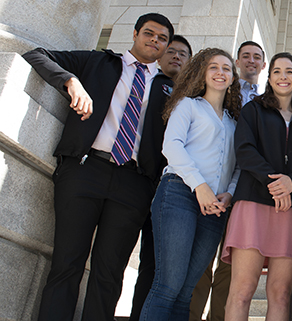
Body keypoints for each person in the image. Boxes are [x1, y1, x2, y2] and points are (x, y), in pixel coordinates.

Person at [22, 13, 174, 321]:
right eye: (149, 33)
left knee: (109, 274)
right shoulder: (99, 63)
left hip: (133, 184)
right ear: (135, 34)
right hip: (84, 170)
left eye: (162, 39)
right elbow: (36, 54)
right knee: (67, 262)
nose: (154, 40)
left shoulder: (168, 88)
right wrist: (70, 80)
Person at [139, 47, 242, 320]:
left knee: (186, 292)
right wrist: (200, 186)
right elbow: (171, 146)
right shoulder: (188, 105)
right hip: (179, 194)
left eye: (226, 68)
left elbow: (238, 166)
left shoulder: (234, 122)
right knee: (167, 286)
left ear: (233, 77)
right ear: (202, 73)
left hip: (215, 209)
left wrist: (229, 194)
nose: (220, 73)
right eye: (214, 67)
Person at [221, 52, 292, 321]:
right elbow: (245, 150)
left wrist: (291, 183)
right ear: (269, 77)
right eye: (277, 71)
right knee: (242, 289)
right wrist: (276, 184)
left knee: (281, 292)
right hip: (254, 203)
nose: (283, 77)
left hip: (291, 208)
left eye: (289, 71)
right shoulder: (254, 109)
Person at [190, 40, 266, 321]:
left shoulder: (267, 100)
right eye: (245, 56)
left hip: (248, 189)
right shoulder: (223, 93)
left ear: (263, 64)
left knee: (230, 265)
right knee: (201, 260)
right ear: (237, 62)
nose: (251, 61)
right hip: (215, 186)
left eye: (256, 57)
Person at [130, 33, 192, 321]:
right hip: (135, 181)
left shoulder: (193, 98)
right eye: (172, 51)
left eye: (183, 54)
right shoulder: (146, 83)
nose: (176, 57)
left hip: (172, 192)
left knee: (155, 266)